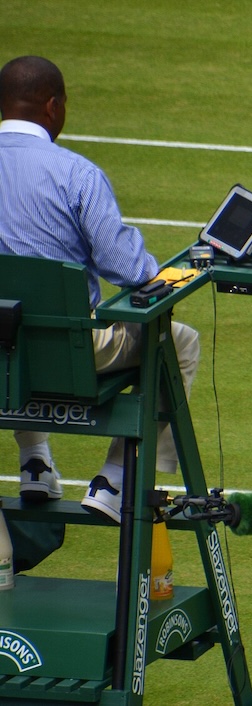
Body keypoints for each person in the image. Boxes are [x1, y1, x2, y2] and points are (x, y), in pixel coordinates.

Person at [0, 55, 199, 524]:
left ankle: (36, 462)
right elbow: (128, 269)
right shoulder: (77, 175)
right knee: (181, 341)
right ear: (53, 106)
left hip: (2, 357)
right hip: (73, 357)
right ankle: (115, 479)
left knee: (13, 334)